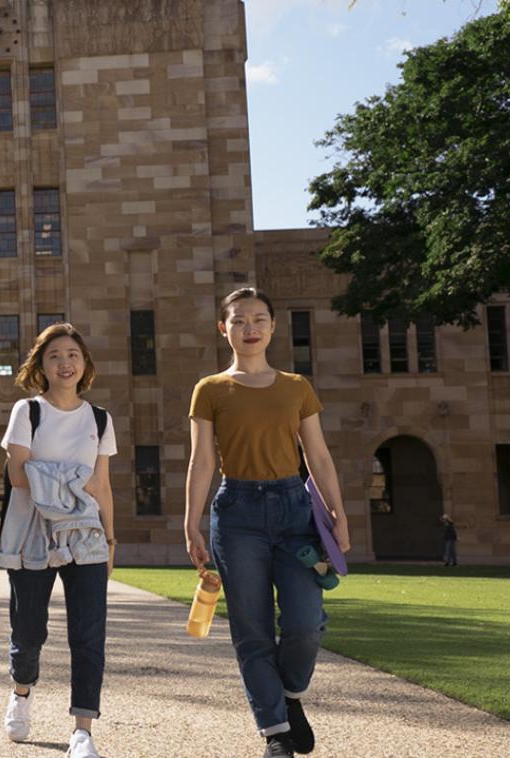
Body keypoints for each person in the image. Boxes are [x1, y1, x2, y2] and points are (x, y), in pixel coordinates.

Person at [184, 288, 350, 758]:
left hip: (294, 510)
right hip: (236, 515)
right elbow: (201, 462)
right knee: (252, 630)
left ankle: (291, 696)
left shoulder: (296, 386)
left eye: (259, 319)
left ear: (273, 328)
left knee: (305, 623)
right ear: (224, 329)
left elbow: (317, 454)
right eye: (239, 320)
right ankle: (275, 731)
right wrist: (191, 524)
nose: (249, 328)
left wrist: (338, 513)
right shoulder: (210, 389)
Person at [0, 323, 117, 758]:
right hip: (33, 533)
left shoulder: (100, 419)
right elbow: (16, 475)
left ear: (84, 364)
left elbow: (101, 486)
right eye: (54, 356)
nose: (64, 363)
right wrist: (73, 483)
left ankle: (83, 730)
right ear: (41, 366)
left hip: (86, 536)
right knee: (29, 629)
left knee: (89, 633)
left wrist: (110, 537)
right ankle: (21, 693)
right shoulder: (27, 412)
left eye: (72, 355)